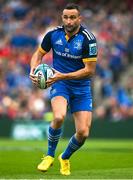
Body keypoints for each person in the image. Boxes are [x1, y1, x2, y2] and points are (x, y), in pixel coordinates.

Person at [30, 3, 97, 176]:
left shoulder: (88, 39)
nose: (69, 21)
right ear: (62, 18)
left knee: (83, 132)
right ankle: (49, 155)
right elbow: (38, 55)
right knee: (59, 116)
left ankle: (64, 157)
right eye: (66, 17)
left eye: (73, 17)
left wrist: (62, 75)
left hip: (81, 86)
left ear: (79, 19)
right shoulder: (53, 35)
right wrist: (33, 70)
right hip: (60, 84)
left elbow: (89, 70)